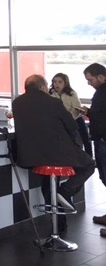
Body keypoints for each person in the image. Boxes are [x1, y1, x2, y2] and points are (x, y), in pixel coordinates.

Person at [12, 74, 95, 233]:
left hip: (29, 155)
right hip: (57, 152)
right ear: (43, 87)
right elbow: (72, 126)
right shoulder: (53, 102)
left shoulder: (17, 103)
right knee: (89, 165)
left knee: (48, 184)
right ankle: (65, 192)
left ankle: (59, 223)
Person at [84, 63, 106, 234]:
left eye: (90, 79)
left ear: (101, 77)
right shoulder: (100, 92)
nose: (89, 83)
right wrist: (89, 113)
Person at [50, 73, 92, 156]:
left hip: (76, 119)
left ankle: (89, 157)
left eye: (60, 82)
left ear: (65, 83)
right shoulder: (51, 94)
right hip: (60, 121)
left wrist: (68, 119)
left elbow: (76, 107)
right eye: (55, 82)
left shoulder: (71, 93)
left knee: (85, 139)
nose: (57, 84)